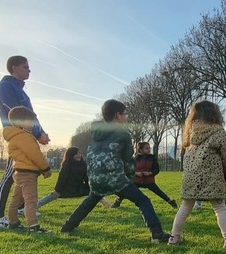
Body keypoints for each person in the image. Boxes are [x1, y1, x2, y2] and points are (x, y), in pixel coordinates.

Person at [60, 100, 170, 243]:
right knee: (142, 200)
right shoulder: (123, 135)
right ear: (118, 115)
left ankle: (68, 227)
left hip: (94, 178)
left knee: (90, 201)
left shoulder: (94, 134)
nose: (127, 117)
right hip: (115, 178)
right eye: (125, 114)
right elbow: (128, 161)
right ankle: (157, 234)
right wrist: (130, 179)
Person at [168, 100, 226, 248]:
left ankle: (173, 237)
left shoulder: (189, 133)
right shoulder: (219, 133)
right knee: (219, 207)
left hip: (190, 176)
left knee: (185, 207)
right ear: (214, 114)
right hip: (212, 176)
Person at [0, 55, 50, 229]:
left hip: (26, 135)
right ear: (14, 67)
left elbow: (31, 115)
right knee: (11, 174)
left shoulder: (21, 90)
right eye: (25, 67)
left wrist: (40, 131)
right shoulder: (6, 87)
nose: (29, 70)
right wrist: (36, 132)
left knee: (26, 173)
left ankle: (23, 208)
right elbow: (16, 113)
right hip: (17, 138)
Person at [3, 106, 52, 233]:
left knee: (16, 199)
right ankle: (33, 226)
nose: (32, 124)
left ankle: (13, 222)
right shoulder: (25, 137)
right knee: (31, 200)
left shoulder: (15, 136)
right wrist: (45, 169)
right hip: (28, 174)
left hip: (19, 172)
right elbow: (35, 155)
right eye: (31, 121)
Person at [37, 147, 111, 209]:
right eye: (76, 154)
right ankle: (33, 207)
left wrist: (91, 187)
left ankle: (107, 204)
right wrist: (57, 190)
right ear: (71, 155)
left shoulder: (83, 164)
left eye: (79, 153)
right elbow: (62, 179)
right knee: (53, 195)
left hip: (79, 188)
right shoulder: (66, 166)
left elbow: (87, 177)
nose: (79, 155)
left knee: (94, 192)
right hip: (67, 189)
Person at [110, 142, 177, 209]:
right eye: (146, 148)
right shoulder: (135, 159)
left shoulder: (152, 158)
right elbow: (129, 170)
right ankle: (117, 202)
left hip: (149, 181)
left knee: (159, 192)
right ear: (141, 150)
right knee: (126, 191)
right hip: (137, 181)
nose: (149, 150)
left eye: (149, 148)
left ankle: (171, 201)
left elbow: (156, 170)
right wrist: (136, 173)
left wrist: (150, 173)